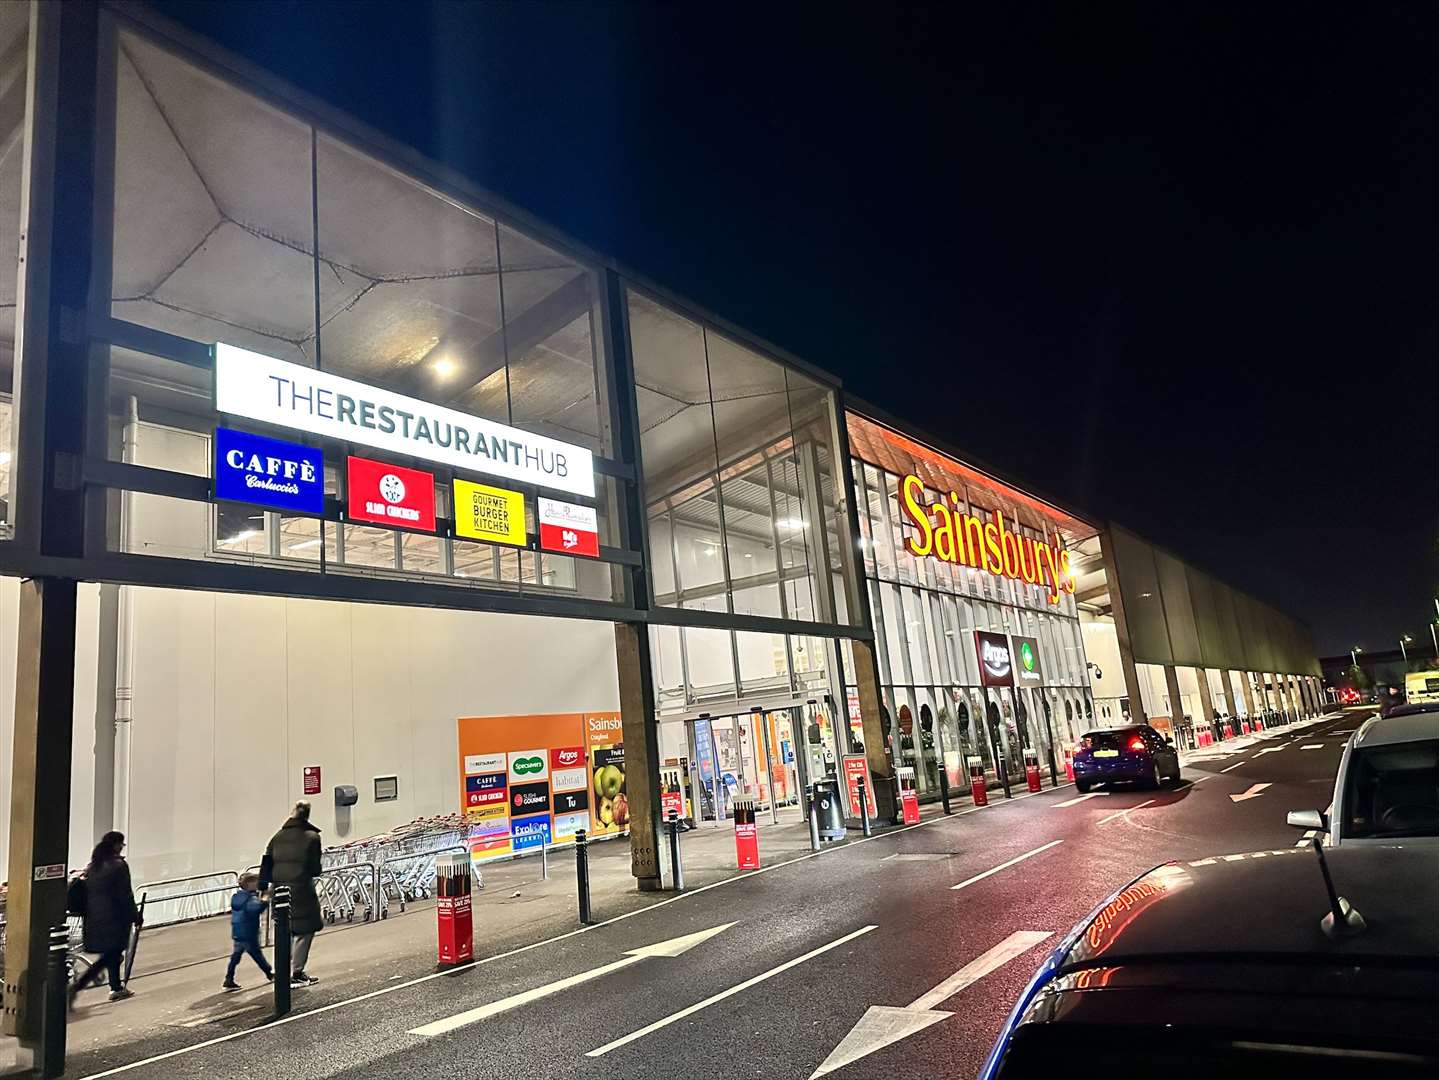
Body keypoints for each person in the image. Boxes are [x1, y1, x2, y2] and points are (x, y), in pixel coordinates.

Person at [71, 831, 140, 1004]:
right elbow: (125, 894)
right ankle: (87, 988)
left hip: (94, 917)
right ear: (116, 844)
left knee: (111, 954)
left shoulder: (94, 865)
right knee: (112, 954)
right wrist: (135, 915)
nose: (122, 847)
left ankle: (115, 987)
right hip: (114, 917)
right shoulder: (118, 865)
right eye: (121, 844)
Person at [260, 800, 323, 987]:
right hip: (302, 890)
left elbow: (266, 862)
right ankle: (297, 971)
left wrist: (264, 888)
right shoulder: (312, 837)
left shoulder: (277, 836)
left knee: (284, 930)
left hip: (279, 889)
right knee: (305, 930)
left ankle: (280, 969)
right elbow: (314, 869)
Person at [222, 872, 274, 991]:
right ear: (249, 884)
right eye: (255, 882)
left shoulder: (237, 897)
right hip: (249, 932)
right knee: (257, 955)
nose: (258, 884)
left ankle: (229, 979)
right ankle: (269, 974)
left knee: (236, 957)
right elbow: (256, 909)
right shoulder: (250, 899)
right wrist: (265, 899)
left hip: (238, 931)